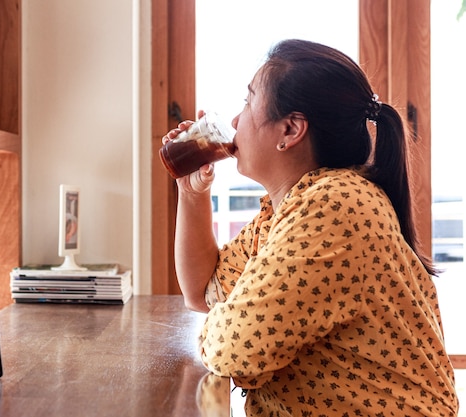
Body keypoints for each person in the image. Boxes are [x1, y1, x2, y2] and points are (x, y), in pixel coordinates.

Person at [163, 39, 458, 416]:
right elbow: (203, 294)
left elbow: (235, 350)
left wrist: (231, 315)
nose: (235, 121)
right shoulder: (292, 206)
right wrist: (192, 194)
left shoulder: (336, 208)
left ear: (290, 129)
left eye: (249, 101)